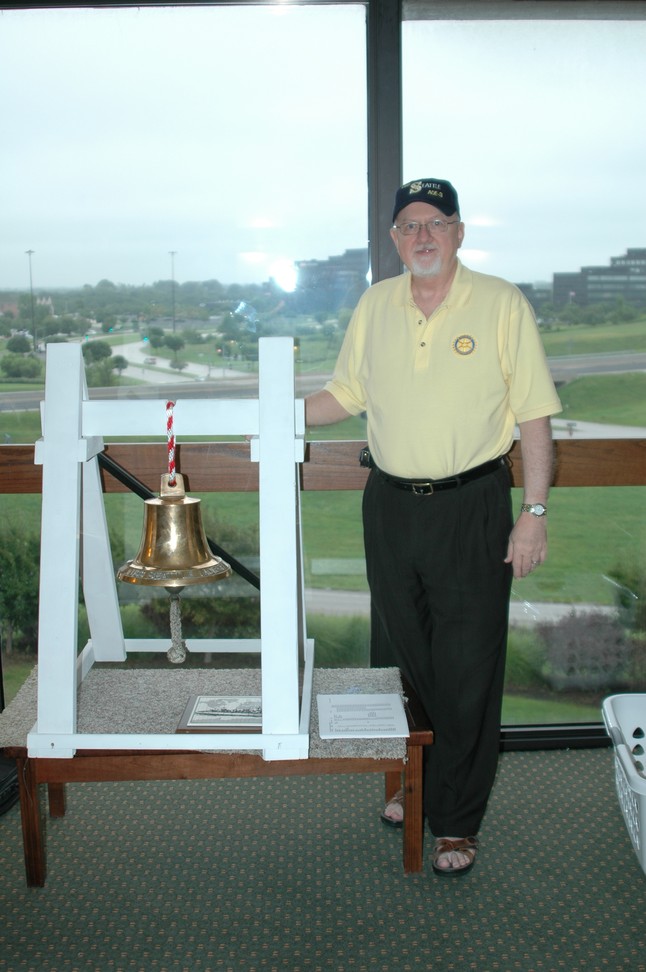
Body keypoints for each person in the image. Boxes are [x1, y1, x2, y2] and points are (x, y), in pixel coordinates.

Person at [305, 178, 562, 876]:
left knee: (469, 667)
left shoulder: (502, 303)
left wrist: (533, 515)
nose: (422, 236)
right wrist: (272, 408)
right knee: (408, 661)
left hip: (472, 505)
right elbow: (345, 394)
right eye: (409, 226)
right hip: (389, 505)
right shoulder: (375, 305)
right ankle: (419, 786)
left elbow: (534, 415)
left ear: (458, 232)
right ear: (393, 239)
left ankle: (455, 821)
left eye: (436, 224)